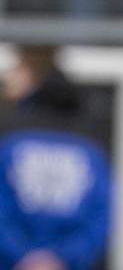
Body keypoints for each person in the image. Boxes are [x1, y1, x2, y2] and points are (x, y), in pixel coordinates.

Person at [0, 44, 112, 270]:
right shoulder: (91, 146)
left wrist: (23, 256)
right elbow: (100, 217)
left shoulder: (10, 138)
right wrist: (62, 259)